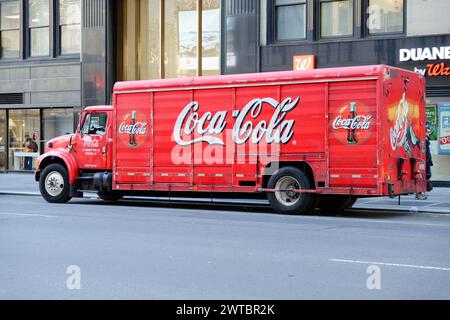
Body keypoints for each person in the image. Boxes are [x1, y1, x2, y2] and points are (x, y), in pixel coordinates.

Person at [416, 122, 433, 200]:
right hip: (424, 161)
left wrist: (429, 161)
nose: (430, 132)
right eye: (428, 130)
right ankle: (419, 193)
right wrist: (427, 161)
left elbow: (427, 153)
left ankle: (421, 192)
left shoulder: (426, 140)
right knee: (423, 176)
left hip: (426, 161)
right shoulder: (423, 140)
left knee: (426, 176)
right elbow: (424, 152)